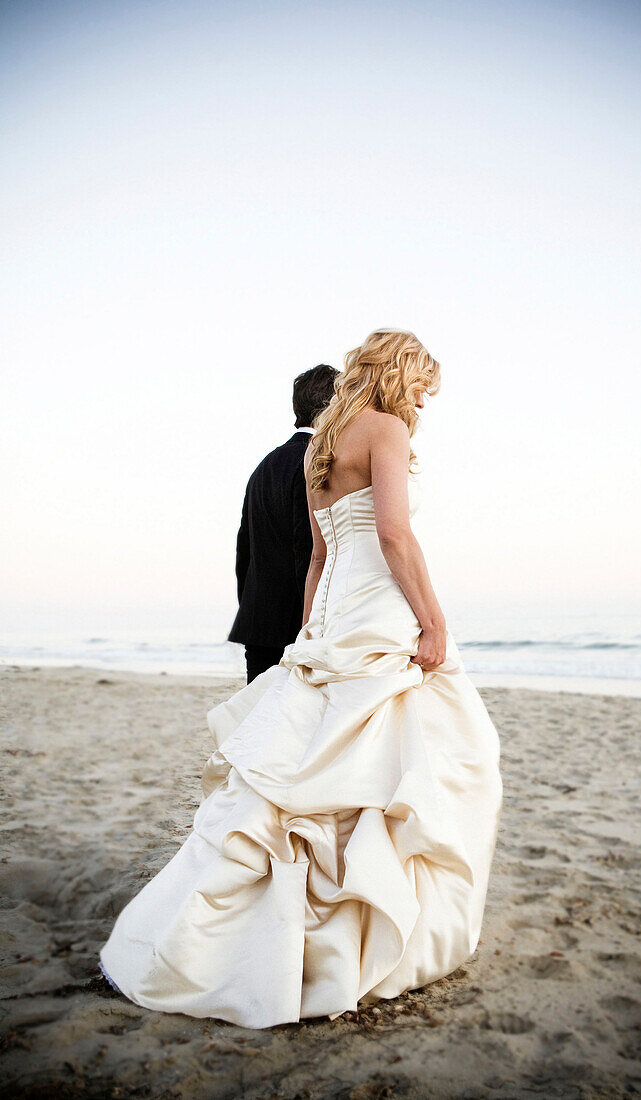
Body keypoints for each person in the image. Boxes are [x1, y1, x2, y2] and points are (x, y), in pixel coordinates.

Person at [99, 329, 503, 1030]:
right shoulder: (382, 429)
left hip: (337, 611)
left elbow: (319, 555)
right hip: (380, 609)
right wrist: (432, 621)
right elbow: (394, 537)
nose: (420, 403)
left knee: (323, 758)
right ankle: (384, 930)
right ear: (398, 372)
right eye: (419, 387)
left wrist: (311, 632)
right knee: (446, 754)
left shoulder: (324, 440)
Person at [228, 364, 338, 682]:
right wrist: (314, 625)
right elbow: (310, 548)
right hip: (296, 627)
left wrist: (252, 606)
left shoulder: (264, 466)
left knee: (259, 724)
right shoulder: (316, 465)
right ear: (333, 406)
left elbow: (243, 551)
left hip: (258, 622)